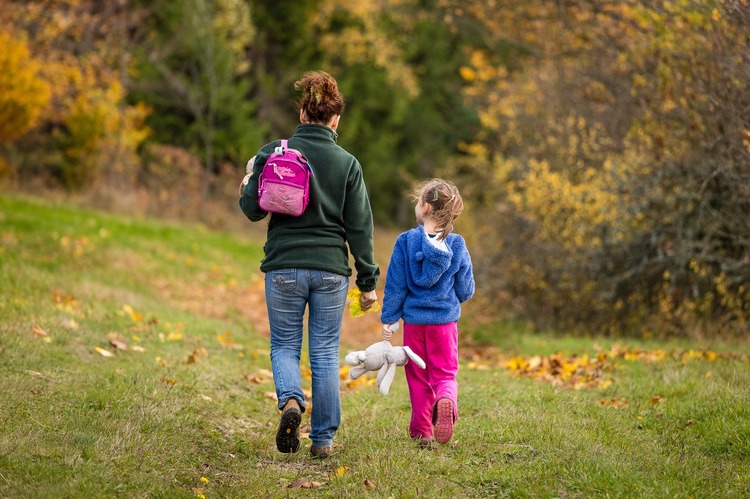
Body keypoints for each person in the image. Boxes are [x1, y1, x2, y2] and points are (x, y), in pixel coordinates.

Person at [239, 70, 379, 459]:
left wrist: (250, 178)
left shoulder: (274, 152)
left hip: (283, 265)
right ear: (336, 120)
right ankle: (323, 441)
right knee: (324, 351)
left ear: (302, 114)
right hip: (331, 271)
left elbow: (250, 210)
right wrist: (367, 282)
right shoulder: (347, 163)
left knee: (284, 344)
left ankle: (290, 403)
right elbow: (360, 228)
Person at [379, 179, 475, 447]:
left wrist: (390, 319)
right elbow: (466, 290)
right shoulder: (456, 244)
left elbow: (395, 284)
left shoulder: (406, 241)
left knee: (418, 377)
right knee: (444, 374)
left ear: (425, 207)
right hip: (444, 324)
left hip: (413, 324)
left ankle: (423, 431)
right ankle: (445, 399)